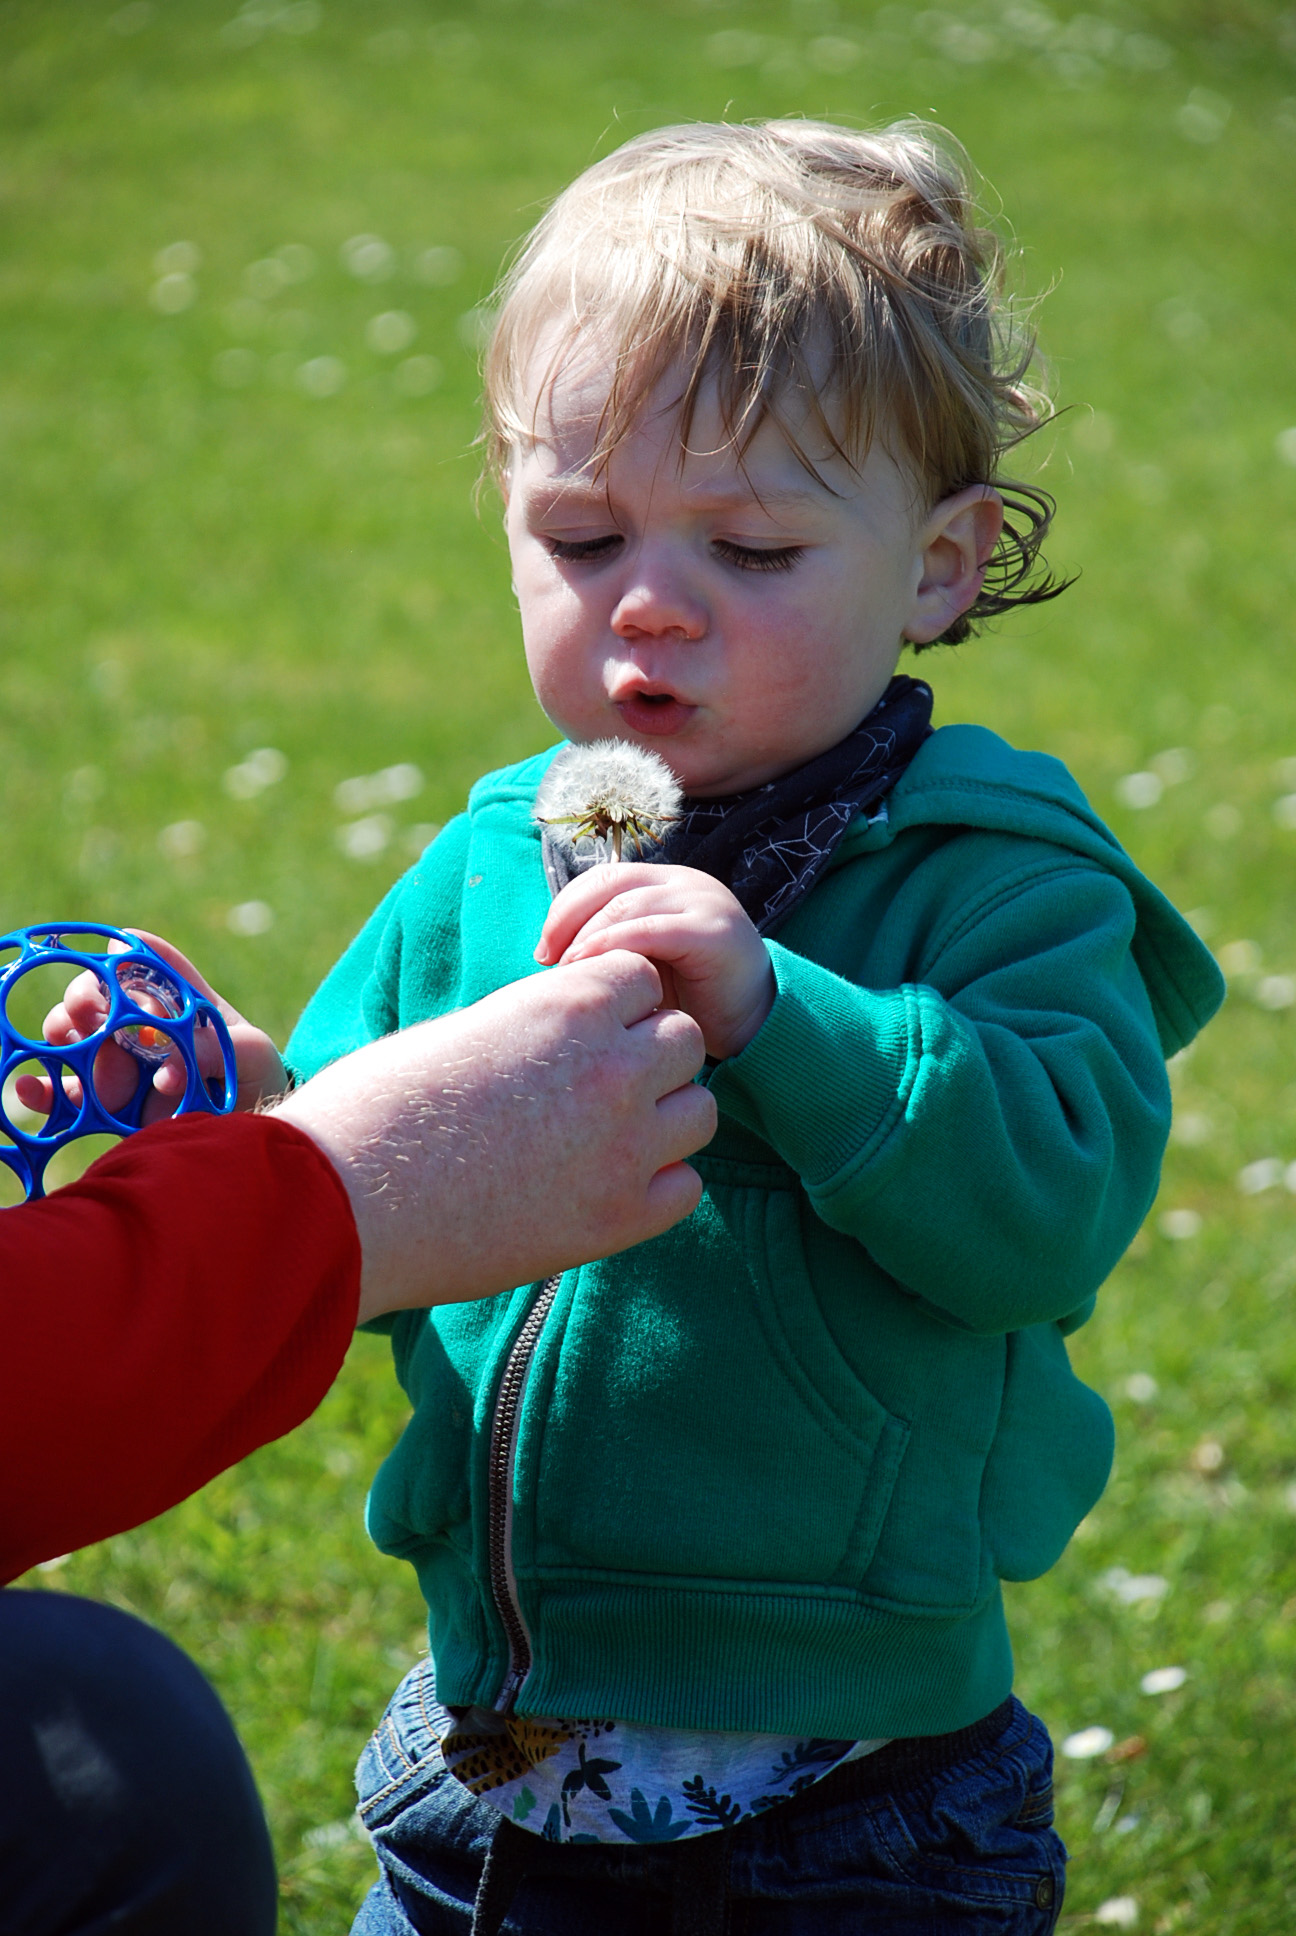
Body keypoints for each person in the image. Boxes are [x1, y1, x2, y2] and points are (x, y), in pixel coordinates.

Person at [286, 119, 1225, 1935]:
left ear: (941, 567)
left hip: (851, 1814)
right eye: (581, 530)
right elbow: (353, 1191)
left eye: (755, 546)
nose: (648, 599)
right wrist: (242, 1106)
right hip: (478, 1777)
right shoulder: (494, 856)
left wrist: (783, 1013)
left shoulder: (996, 879)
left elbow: (1046, 1212)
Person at [1, 949, 713, 1935]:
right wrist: (331, 1178)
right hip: (475, 1758)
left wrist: (263, 1140)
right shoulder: (503, 832)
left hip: (862, 1806)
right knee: (105, 1743)